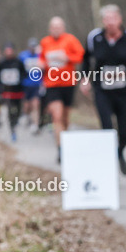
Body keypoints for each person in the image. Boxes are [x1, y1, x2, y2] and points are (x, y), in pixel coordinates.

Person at [82, 5, 126, 175]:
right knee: (107, 128)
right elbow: (85, 59)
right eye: (107, 19)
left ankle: (118, 154)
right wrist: (85, 79)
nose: (110, 23)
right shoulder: (94, 37)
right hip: (101, 90)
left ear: (120, 19)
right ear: (103, 21)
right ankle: (109, 168)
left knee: (124, 133)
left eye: (113, 19)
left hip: (123, 91)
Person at [38, 17, 84, 162]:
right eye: (53, 27)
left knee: (64, 117)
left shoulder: (70, 40)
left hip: (68, 83)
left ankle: (65, 141)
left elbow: (81, 56)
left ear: (63, 28)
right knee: (56, 115)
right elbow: (41, 58)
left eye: (59, 27)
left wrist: (67, 57)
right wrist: (40, 64)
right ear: (50, 29)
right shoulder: (45, 42)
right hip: (51, 84)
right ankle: (60, 148)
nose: (56, 29)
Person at [0, 44, 27, 141]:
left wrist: (19, 80)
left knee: (18, 110)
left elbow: (24, 73)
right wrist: (0, 89)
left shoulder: (18, 62)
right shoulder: (2, 63)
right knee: (10, 110)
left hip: (18, 91)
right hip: (7, 92)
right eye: (7, 51)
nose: (9, 53)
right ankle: (12, 128)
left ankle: (16, 120)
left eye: (10, 51)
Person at [20, 38, 46, 133]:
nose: (33, 48)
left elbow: (44, 69)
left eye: (34, 46)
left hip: (37, 84)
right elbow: (19, 69)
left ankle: (35, 125)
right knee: (27, 105)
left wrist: (44, 82)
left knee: (35, 104)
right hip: (26, 84)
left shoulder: (40, 56)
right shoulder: (23, 56)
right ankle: (26, 116)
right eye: (31, 46)